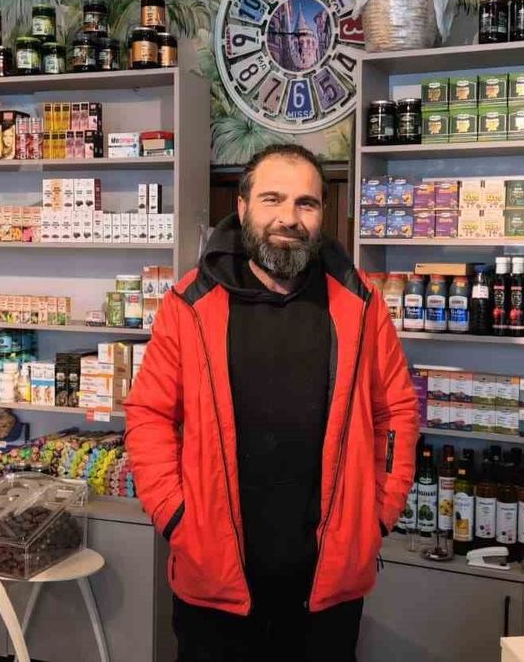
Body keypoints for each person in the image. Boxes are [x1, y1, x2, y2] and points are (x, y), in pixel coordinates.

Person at [124, 143, 418, 661]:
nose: (289, 217)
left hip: (326, 586)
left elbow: (395, 413)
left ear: (322, 213)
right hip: (214, 581)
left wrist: (377, 516)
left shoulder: (360, 303)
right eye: (272, 199)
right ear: (242, 208)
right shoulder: (189, 304)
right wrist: (177, 518)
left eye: (306, 203)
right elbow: (150, 415)